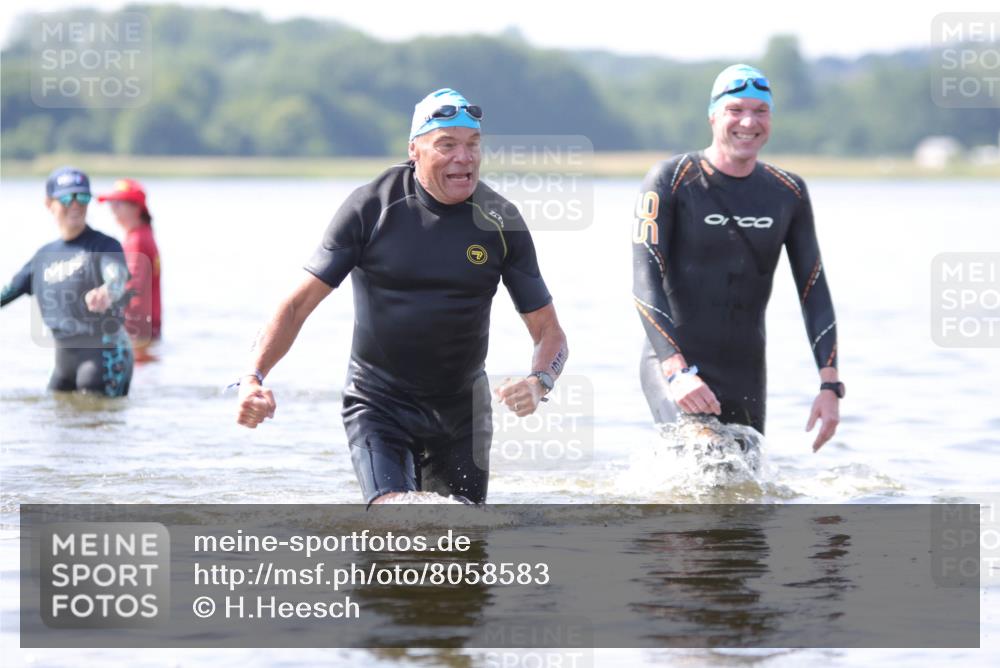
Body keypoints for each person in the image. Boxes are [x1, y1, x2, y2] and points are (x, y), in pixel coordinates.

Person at [235, 88, 568, 503]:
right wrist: (253, 378)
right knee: (397, 519)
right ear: (414, 150)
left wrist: (540, 382)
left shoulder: (500, 221)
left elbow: (549, 331)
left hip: (462, 412)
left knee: (461, 547)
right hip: (379, 404)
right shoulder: (371, 208)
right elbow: (297, 305)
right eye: (446, 145)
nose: (464, 158)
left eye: (472, 145)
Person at [632, 64, 843, 452]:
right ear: (713, 116)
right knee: (705, 455)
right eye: (736, 110)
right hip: (674, 365)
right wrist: (676, 369)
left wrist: (829, 386)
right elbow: (644, 283)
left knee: (742, 495)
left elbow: (814, 290)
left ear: (771, 119)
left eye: (760, 111)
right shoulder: (671, 180)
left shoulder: (787, 191)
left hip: (745, 374)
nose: (749, 122)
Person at [1, 167, 133, 396]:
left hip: (104, 355)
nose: (75, 204)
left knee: (101, 424)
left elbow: (117, 277)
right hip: (63, 360)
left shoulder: (105, 246)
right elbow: (7, 292)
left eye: (82, 197)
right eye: (67, 197)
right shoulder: (42, 257)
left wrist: (107, 292)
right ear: (48, 203)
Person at [98, 178, 162, 361]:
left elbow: (130, 288)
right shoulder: (144, 234)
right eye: (111, 205)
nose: (112, 211)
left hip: (136, 332)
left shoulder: (137, 240)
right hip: (147, 330)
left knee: (136, 379)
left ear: (136, 208)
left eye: (118, 204)